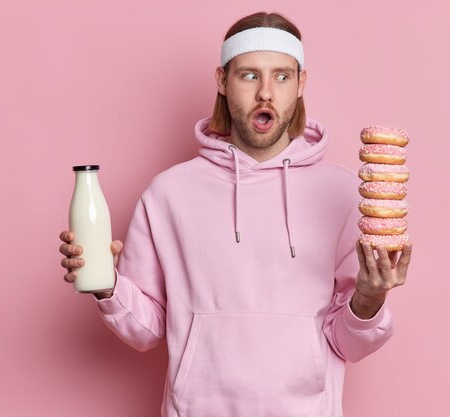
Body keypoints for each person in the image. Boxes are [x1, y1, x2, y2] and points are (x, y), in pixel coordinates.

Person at [59, 11, 412, 417]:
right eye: (249, 75)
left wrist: (370, 298)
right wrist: (107, 285)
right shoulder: (168, 193)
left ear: (300, 85)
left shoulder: (345, 194)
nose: (266, 93)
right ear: (222, 82)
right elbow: (148, 329)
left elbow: (349, 343)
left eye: (281, 76)